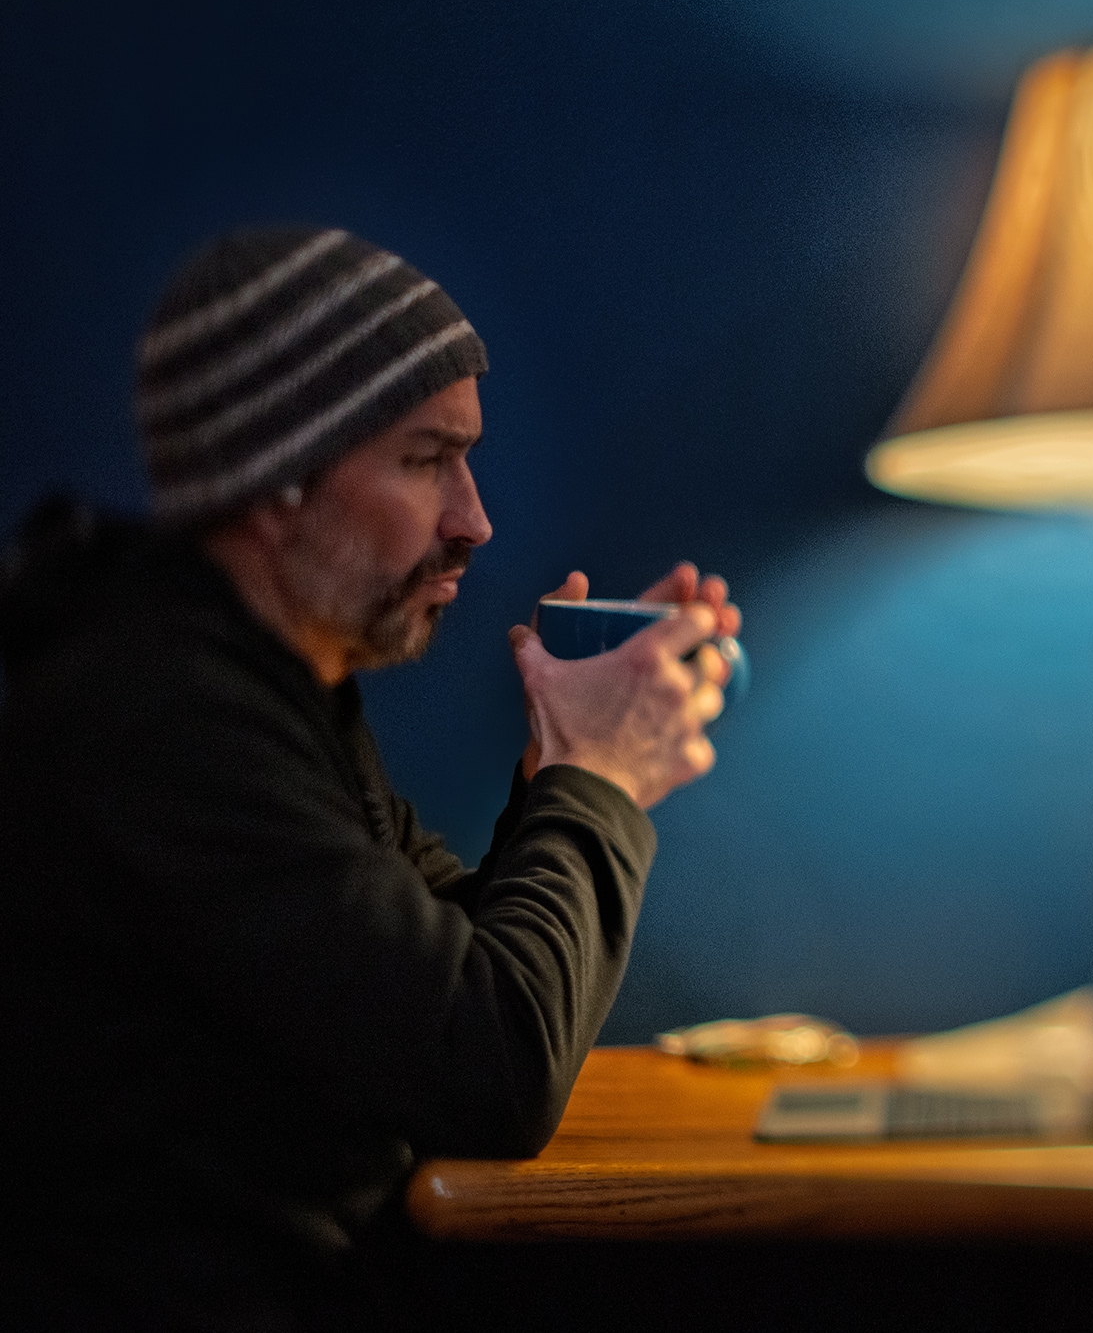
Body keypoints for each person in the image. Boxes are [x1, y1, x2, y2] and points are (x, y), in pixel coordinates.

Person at [0, 226, 740, 1329]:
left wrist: (558, 775)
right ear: (276, 482)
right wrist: (597, 777)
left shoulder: (269, 685)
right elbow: (492, 1068)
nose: (473, 520)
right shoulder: (161, 718)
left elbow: (441, 985)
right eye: (425, 457)